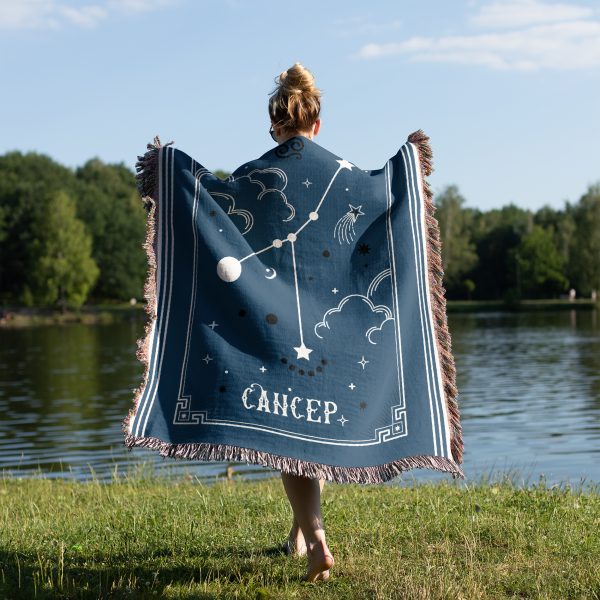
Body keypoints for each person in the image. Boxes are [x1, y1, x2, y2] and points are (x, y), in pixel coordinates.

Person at [268, 62, 334, 583]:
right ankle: (297, 533)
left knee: (288, 435)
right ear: (316, 123)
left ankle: (316, 540)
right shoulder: (344, 176)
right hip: (331, 324)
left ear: (276, 126)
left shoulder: (257, 174)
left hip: (277, 325)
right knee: (311, 425)